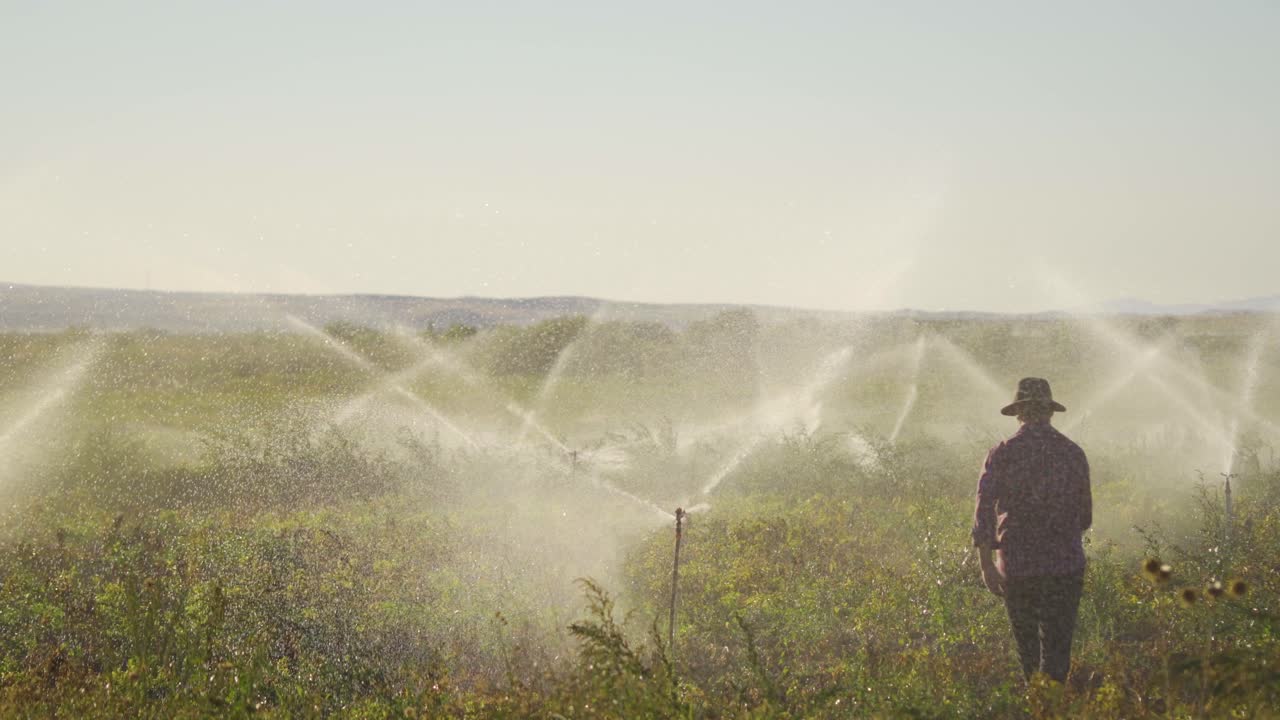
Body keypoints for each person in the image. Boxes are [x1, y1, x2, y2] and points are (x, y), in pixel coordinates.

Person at [972, 377, 1091, 683]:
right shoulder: (1073, 453)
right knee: (1057, 647)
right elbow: (1085, 517)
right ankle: (1052, 704)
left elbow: (984, 510)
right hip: (1065, 566)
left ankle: (1036, 700)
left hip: (1019, 566)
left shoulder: (1002, 453)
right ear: (1050, 412)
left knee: (1028, 649)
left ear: (1019, 413)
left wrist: (986, 565)